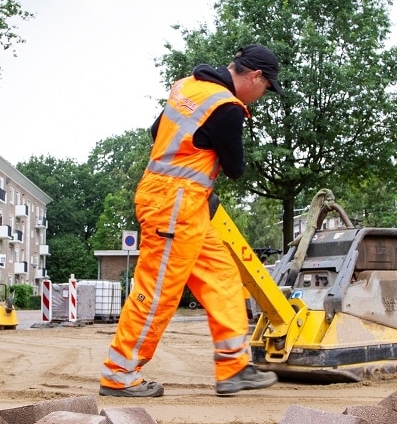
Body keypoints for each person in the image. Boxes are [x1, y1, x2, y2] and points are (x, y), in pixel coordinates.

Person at [99, 44, 284, 397]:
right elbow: (235, 168)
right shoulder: (227, 109)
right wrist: (192, 177)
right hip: (174, 205)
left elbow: (158, 132)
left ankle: (234, 367)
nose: (262, 96)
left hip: (182, 202)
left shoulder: (188, 86)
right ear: (256, 77)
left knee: (222, 276)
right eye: (266, 88)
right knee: (157, 293)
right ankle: (119, 374)